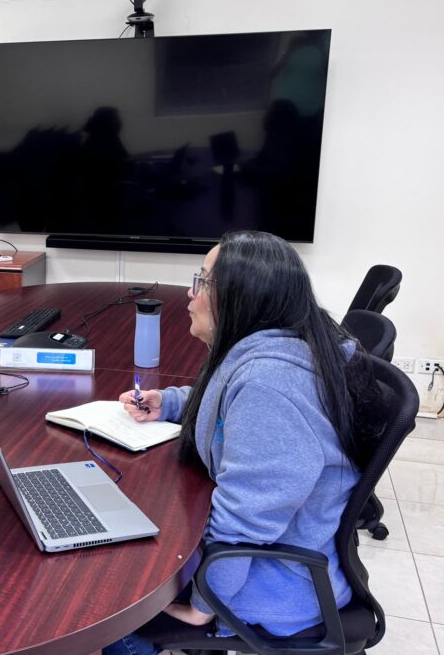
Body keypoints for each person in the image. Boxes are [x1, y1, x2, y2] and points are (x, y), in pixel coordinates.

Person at [105, 230, 381, 653]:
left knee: (103, 607)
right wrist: (170, 401)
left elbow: (247, 521)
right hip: (267, 561)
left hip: (272, 585)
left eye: (202, 282)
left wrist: (204, 604)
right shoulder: (278, 348)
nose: (190, 294)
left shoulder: (270, 385)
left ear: (241, 298)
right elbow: (226, 409)